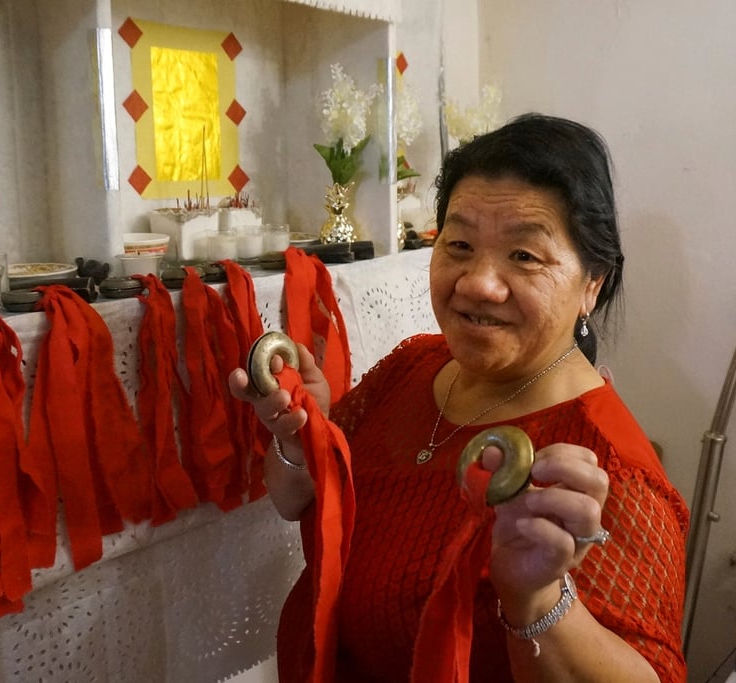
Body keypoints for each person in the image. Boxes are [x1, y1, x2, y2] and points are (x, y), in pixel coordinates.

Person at [229, 113, 688, 681]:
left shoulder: (609, 470)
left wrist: (539, 600)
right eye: (461, 243)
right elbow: (294, 498)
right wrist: (300, 435)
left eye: (524, 256)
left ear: (591, 282)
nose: (477, 283)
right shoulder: (411, 369)